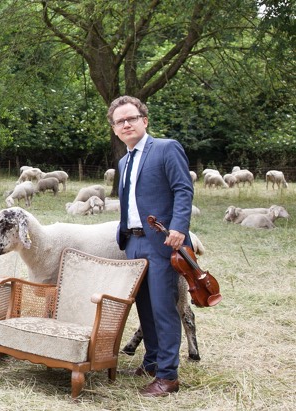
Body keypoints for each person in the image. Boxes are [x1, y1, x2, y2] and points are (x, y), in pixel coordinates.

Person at [110, 96, 194, 397]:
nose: (126, 124)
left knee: (163, 307)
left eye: (131, 118)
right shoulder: (124, 161)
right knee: (145, 307)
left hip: (161, 242)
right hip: (132, 243)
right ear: (115, 129)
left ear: (144, 120)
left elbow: (183, 188)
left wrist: (178, 228)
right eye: (120, 121)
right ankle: (153, 361)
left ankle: (168, 377)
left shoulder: (166, 148)